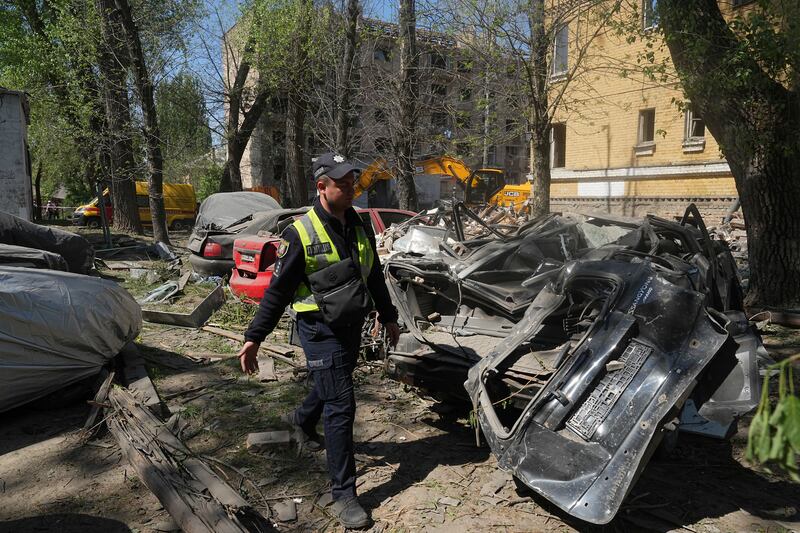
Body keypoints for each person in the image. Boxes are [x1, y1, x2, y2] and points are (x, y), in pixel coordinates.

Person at [238, 152, 401, 530]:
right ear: (321, 187)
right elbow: (277, 292)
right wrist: (254, 338)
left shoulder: (358, 224)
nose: (349, 188)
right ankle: (344, 494)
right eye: (341, 183)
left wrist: (389, 315)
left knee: (332, 385)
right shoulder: (300, 232)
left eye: (351, 182)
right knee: (341, 405)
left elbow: (373, 272)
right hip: (318, 329)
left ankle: (301, 421)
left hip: (348, 325)